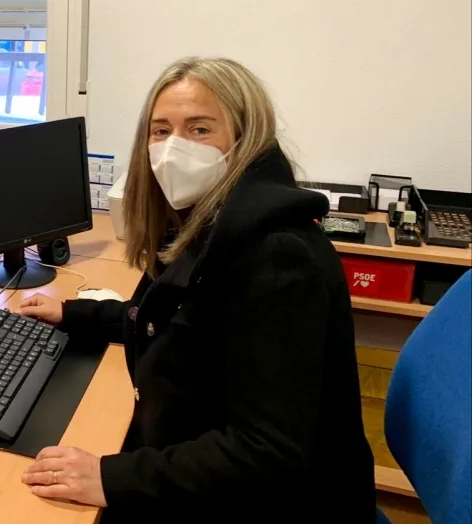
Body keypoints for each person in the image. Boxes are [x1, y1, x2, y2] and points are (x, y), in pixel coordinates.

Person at [19, 57, 376, 521]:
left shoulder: (276, 258)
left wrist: (112, 479)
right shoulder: (209, 219)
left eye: (200, 129)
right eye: (160, 130)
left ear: (245, 140)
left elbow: (266, 453)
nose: (173, 149)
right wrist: (74, 315)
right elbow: (173, 318)